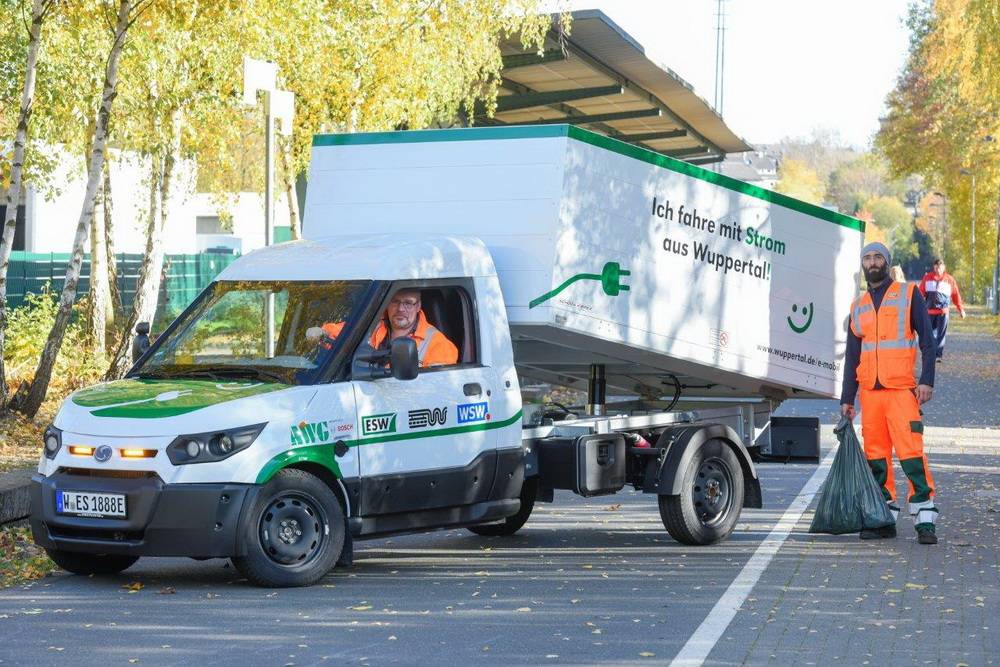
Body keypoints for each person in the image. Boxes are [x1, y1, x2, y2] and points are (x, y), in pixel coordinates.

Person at [841, 242, 940, 544]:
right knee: (876, 458)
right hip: (870, 395)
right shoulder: (858, 306)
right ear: (863, 264)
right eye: (867, 257)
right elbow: (852, 356)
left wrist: (926, 380)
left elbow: (928, 340)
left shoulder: (908, 295)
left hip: (900, 391)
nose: (872, 262)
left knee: (911, 455)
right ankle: (883, 518)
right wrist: (847, 398)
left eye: (877, 257)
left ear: (886, 262)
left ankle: (925, 520)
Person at [307, 289, 458, 367]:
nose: (400, 308)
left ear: (418, 306)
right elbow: (343, 332)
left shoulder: (438, 344)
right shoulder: (374, 325)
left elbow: (438, 390)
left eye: (408, 303)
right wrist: (320, 332)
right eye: (395, 301)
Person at [918, 258, 966, 362]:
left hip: (943, 313)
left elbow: (956, 295)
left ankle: (938, 355)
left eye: (939, 267)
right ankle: (930, 353)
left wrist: (961, 309)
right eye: (936, 267)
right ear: (933, 267)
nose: (938, 269)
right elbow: (920, 293)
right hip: (929, 312)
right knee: (929, 334)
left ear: (943, 267)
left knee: (941, 335)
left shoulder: (949, 280)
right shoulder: (927, 278)